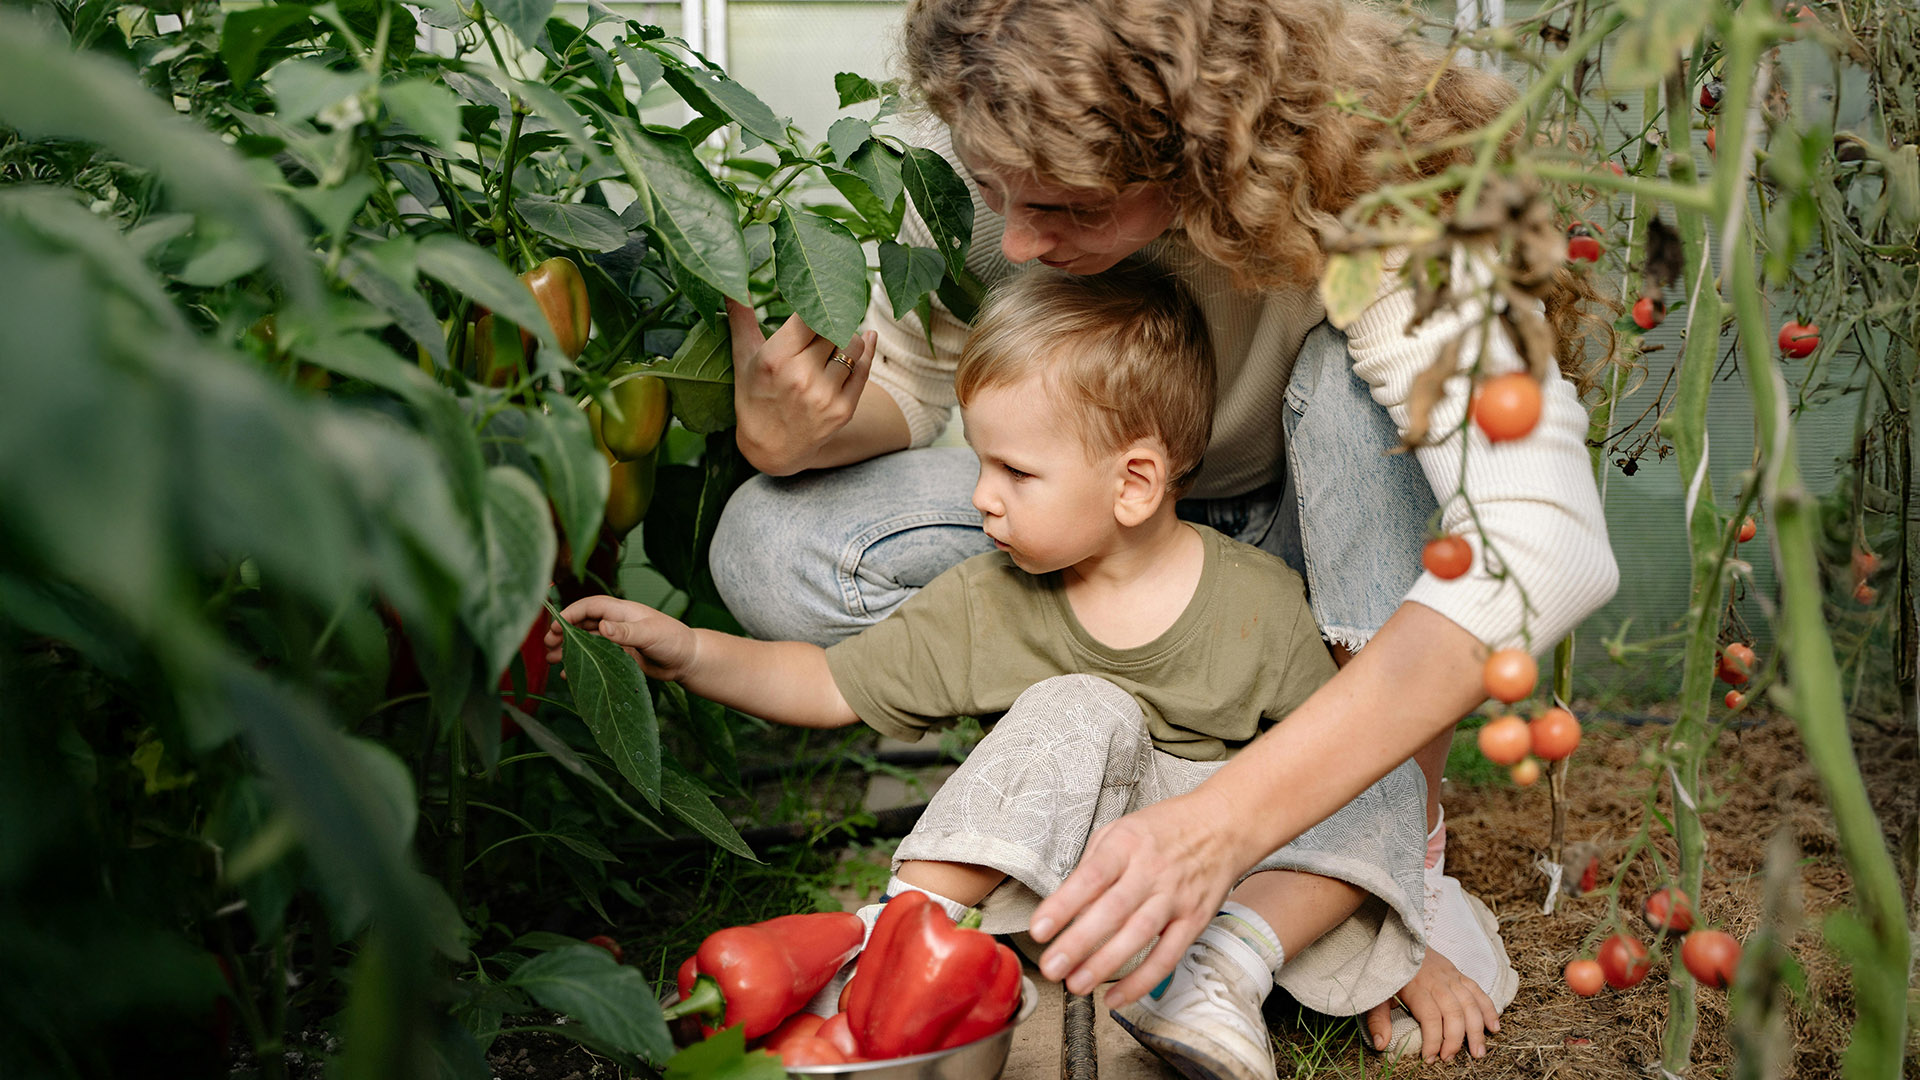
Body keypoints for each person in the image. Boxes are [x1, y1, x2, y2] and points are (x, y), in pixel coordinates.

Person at [708, 0, 1620, 1063]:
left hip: (1301, 553)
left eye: (1064, 209)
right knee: (769, 543)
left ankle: (1389, 866)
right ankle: (1114, 780)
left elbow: (1540, 545)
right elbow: (906, 391)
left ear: (1203, 147)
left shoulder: (1379, 192)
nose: (1014, 239)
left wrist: (1221, 827)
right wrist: (787, 438)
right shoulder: (1006, 136)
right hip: (1104, 535)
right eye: (989, 188)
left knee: (1363, 400)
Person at [556, 268, 1440, 1080]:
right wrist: (691, 652)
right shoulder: (991, 597)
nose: (980, 496)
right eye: (979, 460)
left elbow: (1340, 783)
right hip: (1069, 875)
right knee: (1076, 706)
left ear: (1134, 483)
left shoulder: (1262, 604)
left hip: (1231, 885)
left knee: (1378, 764)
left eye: (1014, 471)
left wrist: (1414, 935)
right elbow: (829, 685)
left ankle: (1223, 972)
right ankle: (892, 936)